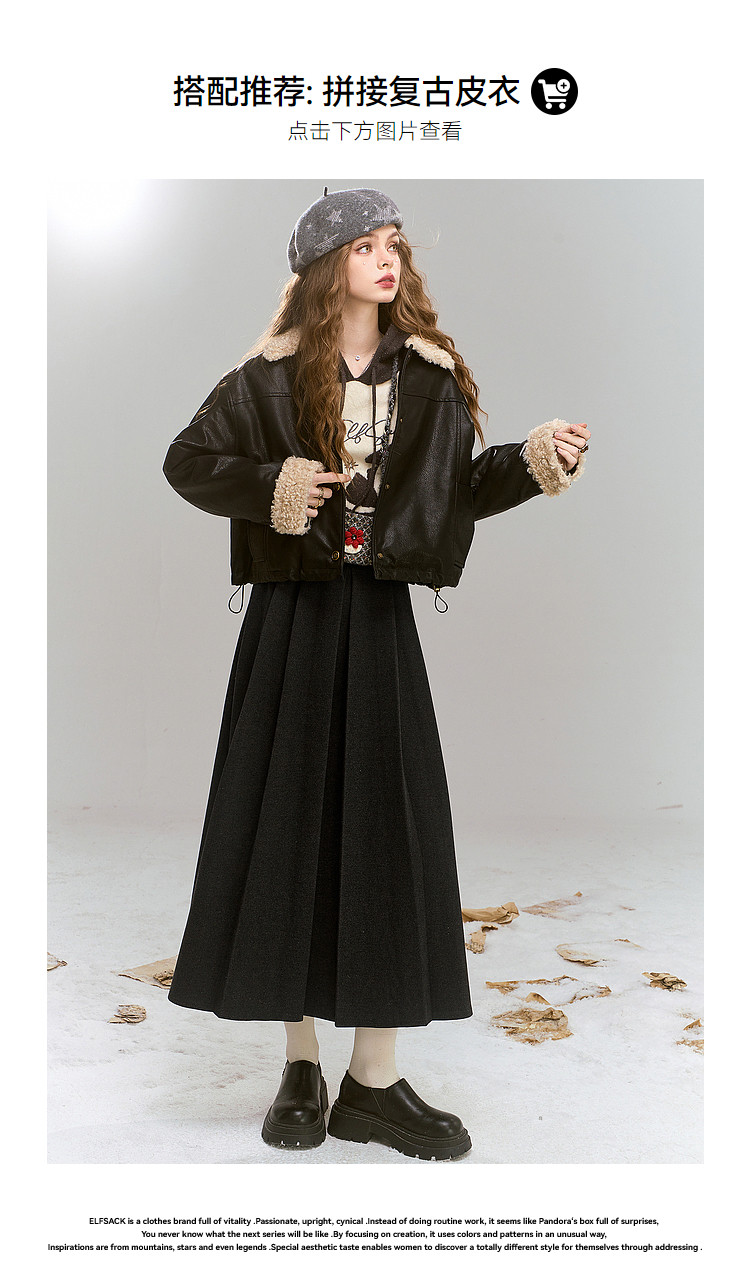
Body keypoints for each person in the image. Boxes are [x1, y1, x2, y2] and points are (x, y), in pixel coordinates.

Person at [162, 186, 589, 1162]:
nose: (387, 258)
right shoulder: (267, 376)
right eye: (365, 245)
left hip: (381, 620)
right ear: (326, 266)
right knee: (288, 831)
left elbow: (454, 493)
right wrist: (271, 486)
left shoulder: (428, 378)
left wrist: (532, 460)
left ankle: (375, 1082)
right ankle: (300, 1066)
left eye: (393, 242)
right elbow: (188, 462)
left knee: (387, 837)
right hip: (291, 621)